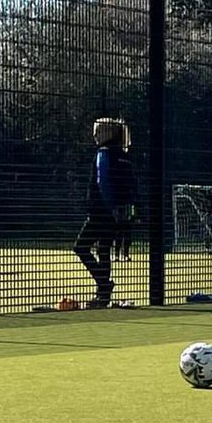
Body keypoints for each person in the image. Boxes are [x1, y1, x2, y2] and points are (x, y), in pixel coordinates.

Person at [75, 116, 138, 307]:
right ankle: (103, 296)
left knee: (80, 247)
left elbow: (102, 180)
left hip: (101, 210)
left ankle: (104, 284)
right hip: (118, 212)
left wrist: (107, 205)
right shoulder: (124, 155)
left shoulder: (103, 152)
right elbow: (133, 184)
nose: (94, 135)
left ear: (107, 133)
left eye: (98, 131)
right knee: (104, 250)